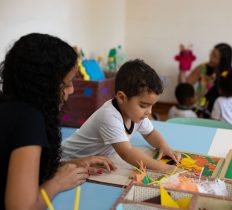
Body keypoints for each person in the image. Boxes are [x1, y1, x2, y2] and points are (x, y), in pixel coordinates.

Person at [0, 33, 116, 210]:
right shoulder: (29, 119)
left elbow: (20, 171)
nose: (71, 91)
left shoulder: (11, 105)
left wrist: (71, 164)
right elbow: (20, 207)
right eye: (67, 84)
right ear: (44, 85)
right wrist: (57, 182)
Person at [62, 59, 181, 172]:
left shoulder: (136, 113)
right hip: (68, 159)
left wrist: (163, 146)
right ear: (122, 98)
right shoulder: (109, 115)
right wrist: (165, 169)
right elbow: (127, 153)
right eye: (144, 105)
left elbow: (150, 133)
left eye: (151, 106)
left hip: (96, 158)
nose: (149, 112)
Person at [183, 43, 232, 115]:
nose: (211, 58)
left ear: (224, 60)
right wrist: (182, 70)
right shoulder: (202, 68)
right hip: (200, 109)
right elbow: (185, 86)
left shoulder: (231, 74)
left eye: (215, 56)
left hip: (221, 112)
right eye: (211, 53)